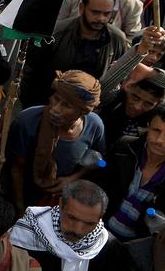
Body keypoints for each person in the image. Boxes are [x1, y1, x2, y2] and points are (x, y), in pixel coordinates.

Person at [97, 102, 165, 241]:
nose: (159, 140)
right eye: (156, 130)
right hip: (97, 229)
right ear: (148, 128)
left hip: (134, 248)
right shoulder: (123, 148)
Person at [8, 70, 106, 209]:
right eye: (56, 98)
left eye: (66, 105)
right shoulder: (27, 121)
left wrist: (74, 178)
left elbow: (100, 162)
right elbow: (16, 168)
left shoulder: (94, 126)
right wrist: (19, 208)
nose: (55, 108)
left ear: (83, 111)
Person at [21, 0, 128, 108]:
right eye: (95, 12)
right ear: (82, 8)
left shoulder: (116, 39)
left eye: (106, 14)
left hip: (85, 110)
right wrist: (30, 105)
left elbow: (119, 74)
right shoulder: (56, 33)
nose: (101, 18)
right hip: (46, 103)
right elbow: (31, 72)